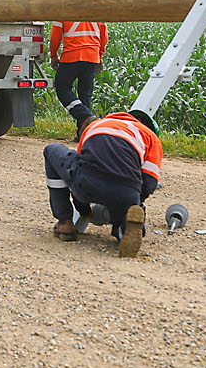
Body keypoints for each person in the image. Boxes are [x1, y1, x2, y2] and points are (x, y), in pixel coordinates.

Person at [44, 108, 163, 257]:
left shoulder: (97, 125)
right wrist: (134, 202)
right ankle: (124, 227)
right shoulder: (150, 137)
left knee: (51, 150)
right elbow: (149, 182)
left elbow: (79, 165)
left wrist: (83, 209)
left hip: (86, 184)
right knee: (128, 206)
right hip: (126, 191)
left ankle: (65, 223)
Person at [50, 0, 107, 136]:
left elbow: (55, 37)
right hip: (92, 57)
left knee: (62, 88)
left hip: (72, 56)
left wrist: (53, 55)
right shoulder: (97, 9)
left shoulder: (64, 8)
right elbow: (104, 36)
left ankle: (87, 118)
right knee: (85, 95)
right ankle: (84, 133)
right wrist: (99, 54)